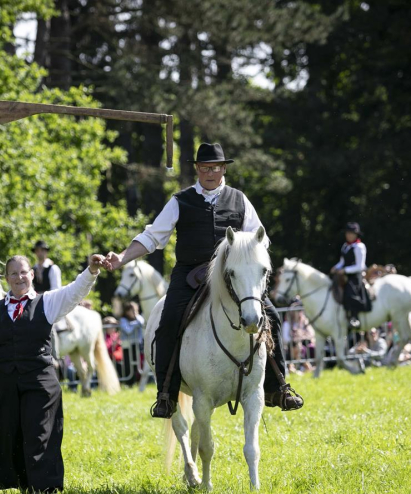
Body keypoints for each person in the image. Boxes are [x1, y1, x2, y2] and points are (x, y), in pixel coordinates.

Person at [103, 142, 301, 418]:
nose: (211, 173)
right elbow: (152, 237)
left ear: (223, 169)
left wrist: (244, 250)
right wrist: (121, 258)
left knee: (273, 317)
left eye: (217, 167)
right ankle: (166, 396)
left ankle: (278, 388)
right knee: (168, 320)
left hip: (232, 275)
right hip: (190, 274)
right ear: (197, 169)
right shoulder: (180, 200)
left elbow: (260, 237)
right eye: (206, 167)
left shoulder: (239, 199)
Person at [0, 253, 105, 494]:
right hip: (5, 382)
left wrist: (90, 271)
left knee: (40, 433)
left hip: (40, 380)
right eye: (14, 273)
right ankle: (19, 484)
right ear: (6, 278)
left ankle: (44, 488)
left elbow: (74, 292)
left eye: (24, 272)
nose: (19, 277)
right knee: (8, 434)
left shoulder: (46, 302)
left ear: (32, 275)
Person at [331, 222, 370, 330]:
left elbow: (360, 266)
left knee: (350, 292)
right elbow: (342, 262)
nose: (349, 235)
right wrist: (336, 267)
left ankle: (354, 317)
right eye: (348, 233)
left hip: (355, 275)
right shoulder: (345, 246)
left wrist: (344, 270)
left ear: (356, 235)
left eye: (352, 233)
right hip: (344, 273)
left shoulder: (360, 247)